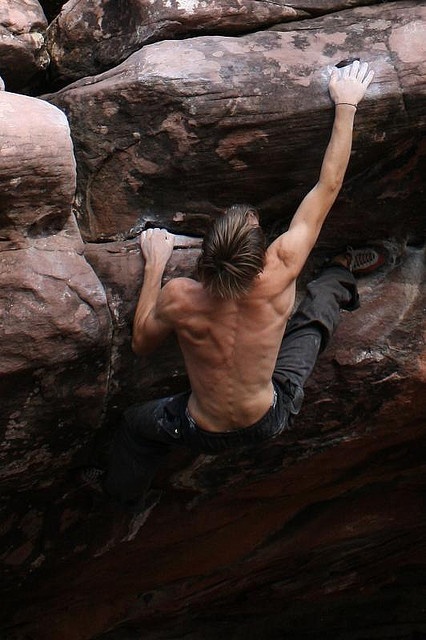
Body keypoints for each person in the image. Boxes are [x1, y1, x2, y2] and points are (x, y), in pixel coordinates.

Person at [87, 60, 382, 511]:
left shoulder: (182, 297)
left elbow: (143, 343)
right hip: (269, 415)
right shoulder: (283, 266)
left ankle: (121, 498)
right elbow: (329, 185)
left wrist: (155, 265)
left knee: (134, 425)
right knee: (314, 316)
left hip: (197, 428)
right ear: (261, 252)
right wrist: (345, 106)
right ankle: (342, 270)